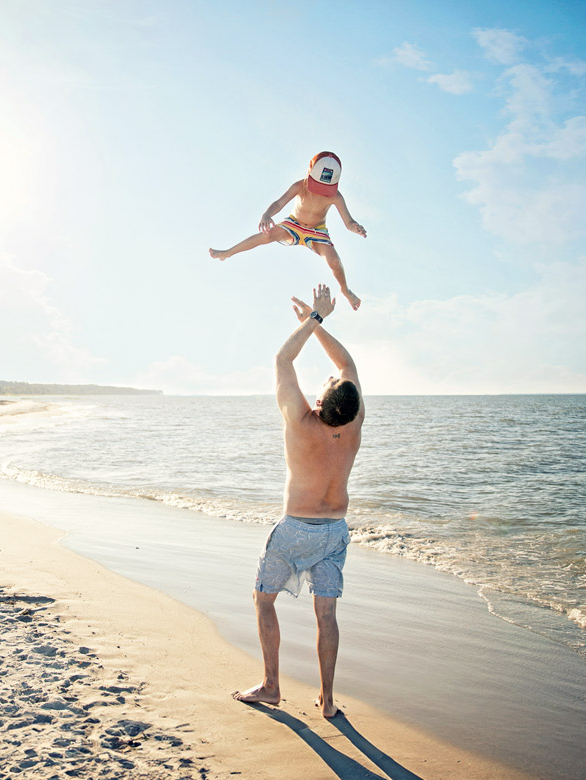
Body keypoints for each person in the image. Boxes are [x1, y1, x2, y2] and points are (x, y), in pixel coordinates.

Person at [232, 283, 365, 719]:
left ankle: (272, 686)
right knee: (326, 613)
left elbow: (282, 359)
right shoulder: (354, 421)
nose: (329, 378)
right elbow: (346, 364)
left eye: (326, 384)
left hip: (295, 531)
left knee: (263, 600)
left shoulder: (300, 422)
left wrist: (315, 318)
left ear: (320, 400)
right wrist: (318, 319)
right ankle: (327, 701)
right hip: (335, 532)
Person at [209, 152, 367, 311]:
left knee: (334, 262)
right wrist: (267, 215)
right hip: (294, 225)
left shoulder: (336, 196)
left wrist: (355, 227)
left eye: (324, 189)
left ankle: (345, 290)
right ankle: (228, 252)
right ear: (309, 174)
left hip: (317, 231)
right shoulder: (300, 186)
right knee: (268, 234)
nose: (320, 192)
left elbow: (348, 221)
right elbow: (278, 204)